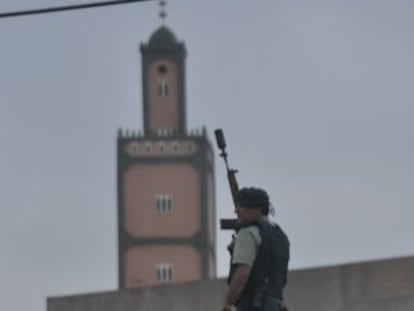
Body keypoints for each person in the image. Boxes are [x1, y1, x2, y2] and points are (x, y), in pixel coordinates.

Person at [221, 187, 290, 311]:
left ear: (256, 209)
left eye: (241, 206)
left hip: (253, 306)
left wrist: (228, 304)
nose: (236, 211)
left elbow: (243, 273)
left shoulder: (248, 233)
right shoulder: (280, 235)